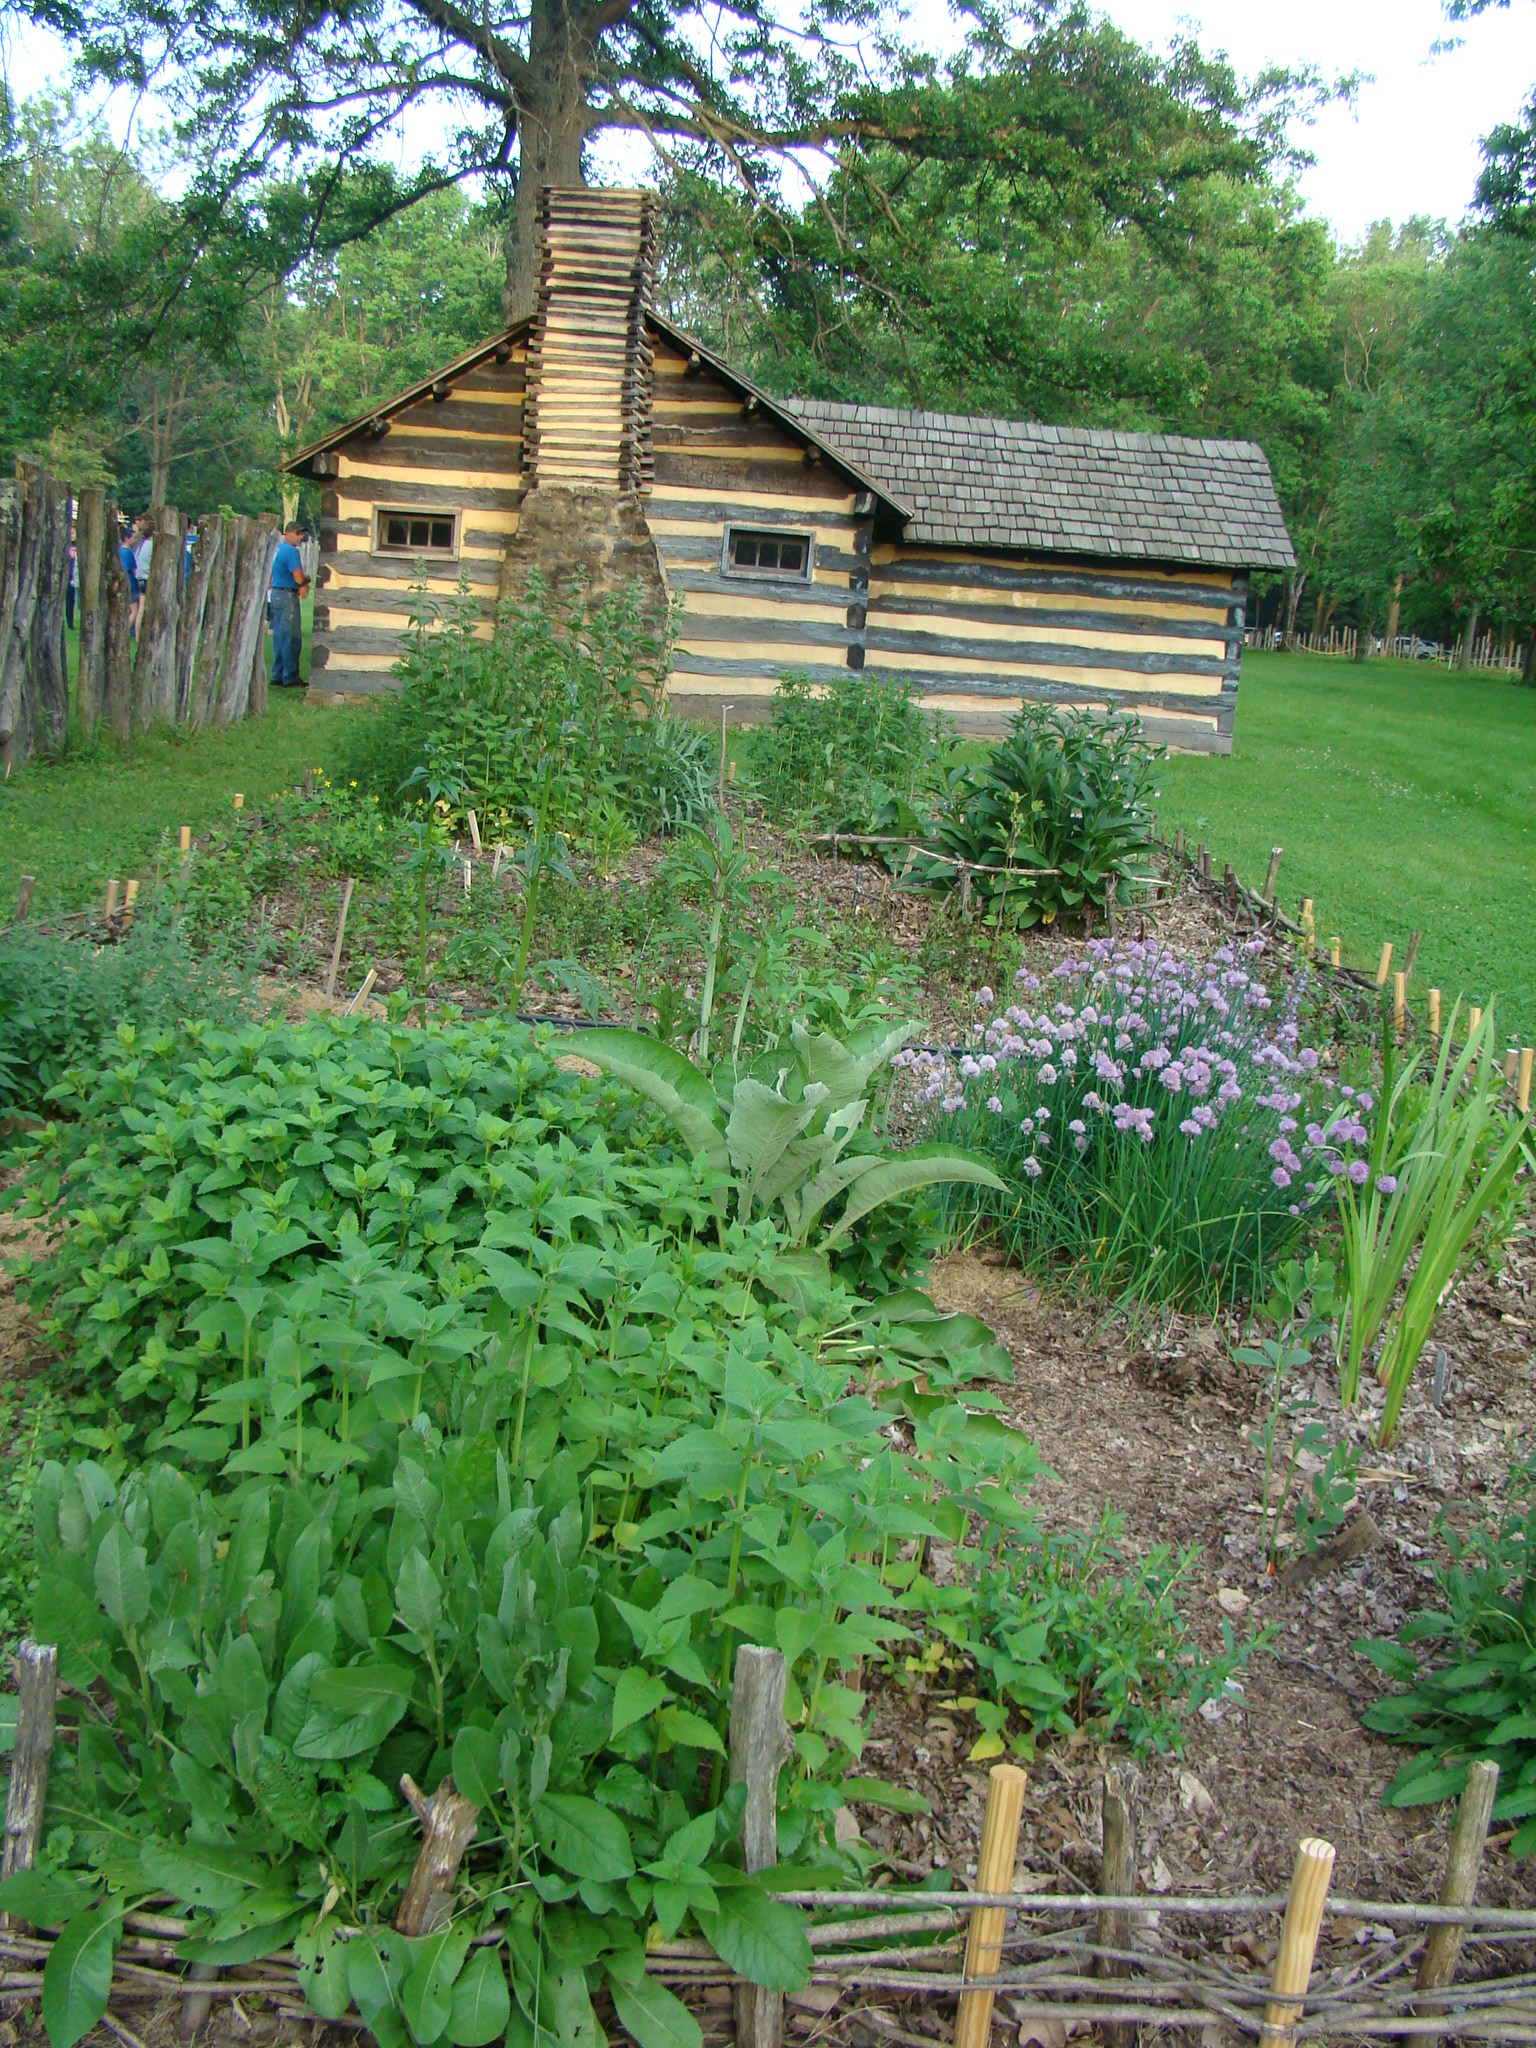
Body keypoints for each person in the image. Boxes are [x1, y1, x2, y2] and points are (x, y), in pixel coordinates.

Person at [269, 519, 311, 689]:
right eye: (298, 533)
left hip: (277, 594)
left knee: (279, 636)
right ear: (288, 533)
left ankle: (277, 674)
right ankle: (290, 676)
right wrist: (307, 580)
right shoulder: (291, 552)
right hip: (287, 596)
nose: (301, 537)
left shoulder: (280, 549)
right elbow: (299, 578)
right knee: (291, 638)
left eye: (302, 533)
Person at [66, 520, 78, 631]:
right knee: (68, 600)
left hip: (76, 575)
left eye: (73, 533)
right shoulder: (66, 547)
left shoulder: (79, 545)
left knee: (74, 600)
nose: (72, 535)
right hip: (68, 576)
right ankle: (69, 622)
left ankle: (71, 622)